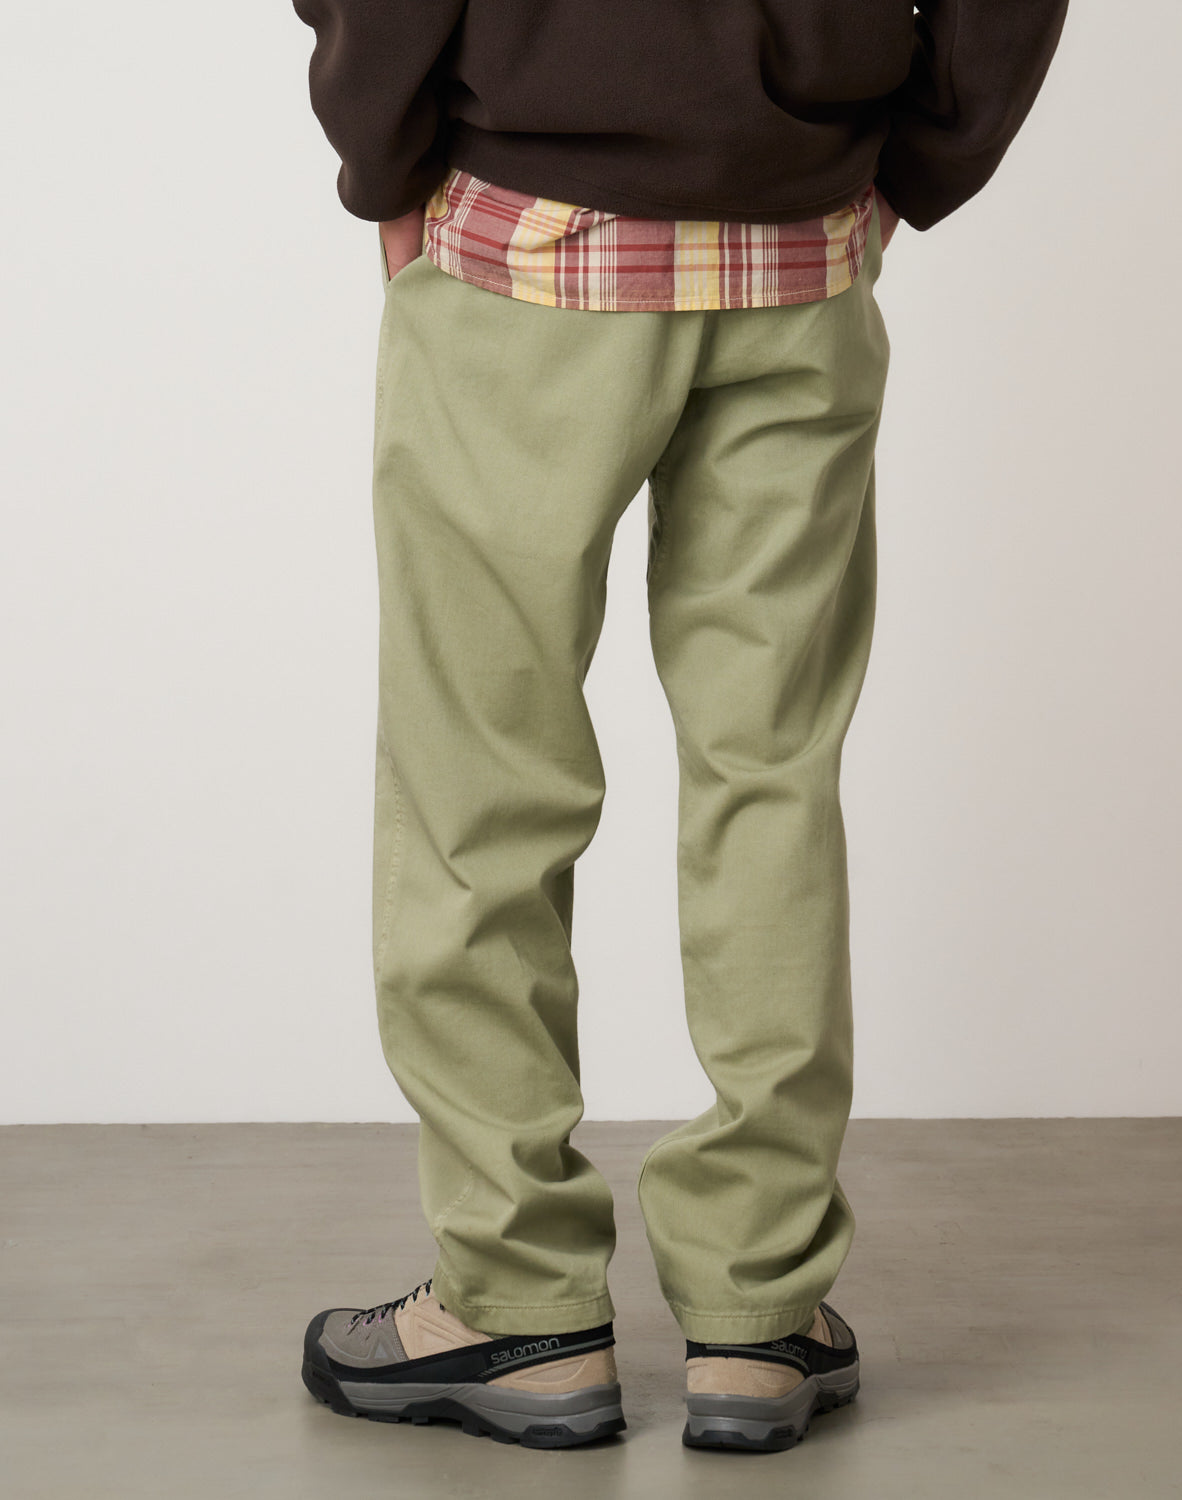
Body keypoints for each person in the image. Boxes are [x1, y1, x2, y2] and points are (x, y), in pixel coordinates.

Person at [291, 0, 1069, 1453]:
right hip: (798, 243)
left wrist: (382, 155)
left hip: (526, 236)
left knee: (479, 786)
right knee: (769, 780)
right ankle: (757, 1315)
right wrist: (922, 152)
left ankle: (516, 1304)